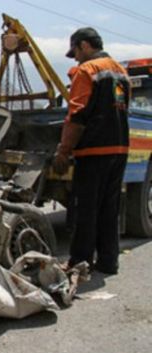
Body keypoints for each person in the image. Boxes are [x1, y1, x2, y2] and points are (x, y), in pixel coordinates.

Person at [53, 27, 130, 275]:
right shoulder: (121, 72)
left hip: (94, 151)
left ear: (85, 45)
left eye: (75, 51)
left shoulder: (87, 71)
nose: (75, 57)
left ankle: (79, 263)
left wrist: (63, 151)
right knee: (109, 208)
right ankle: (109, 262)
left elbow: (77, 115)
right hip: (119, 149)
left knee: (85, 208)